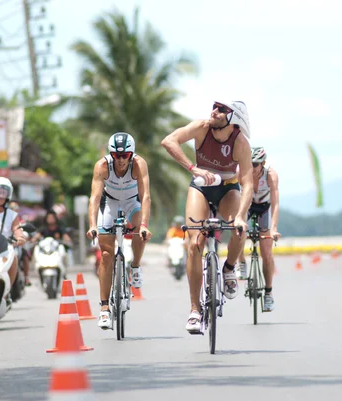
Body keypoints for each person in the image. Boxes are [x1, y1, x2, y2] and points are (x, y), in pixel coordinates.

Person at [161, 100, 253, 333]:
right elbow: (168, 141)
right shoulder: (201, 127)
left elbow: (248, 183)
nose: (214, 111)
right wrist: (193, 168)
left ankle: (229, 268)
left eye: (221, 109)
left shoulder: (240, 142)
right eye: (214, 106)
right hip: (200, 186)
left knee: (240, 229)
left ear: (234, 118)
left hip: (227, 189)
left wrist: (241, 215)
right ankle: (194, 310)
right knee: (193, 244)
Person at [85, 132, 152, 329]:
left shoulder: (139, 164)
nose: (121, 160)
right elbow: (95, 198)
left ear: (131, 154)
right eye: (116, 155)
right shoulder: (102, 166)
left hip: (133, 203)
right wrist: (92, 225)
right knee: (106, 254)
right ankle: (104, 308)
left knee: (139, 228)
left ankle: (136, 266)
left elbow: (146, 196)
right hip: (110, 204)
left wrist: (145, 225)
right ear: (111, 154)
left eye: (125, 156)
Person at [237, 147, 281, 312]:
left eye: (254, 164)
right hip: (246, 205)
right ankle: (241, 263)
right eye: (249, 163)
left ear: (262, 163)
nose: (251, 167)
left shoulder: (270, 175)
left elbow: (275, 203)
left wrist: (273, 229)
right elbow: (234, 194)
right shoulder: (241, 172)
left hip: (263, 207)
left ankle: (268, 294)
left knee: (266, 253)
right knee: (237, 230)